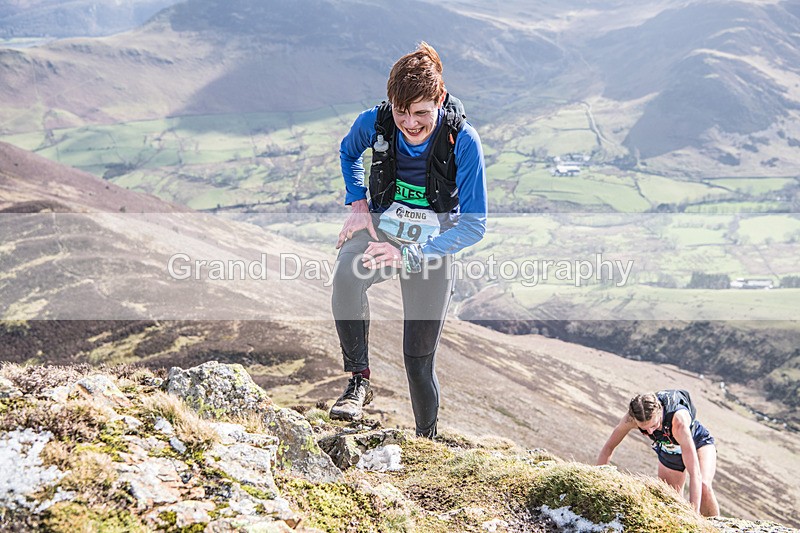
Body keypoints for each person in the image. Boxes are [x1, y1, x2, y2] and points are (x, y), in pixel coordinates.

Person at [328, 42, 487, 438]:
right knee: (346, 277)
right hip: (383, 228)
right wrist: (358, 201)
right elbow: (348, 153)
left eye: (421, 113)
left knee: (417, 361)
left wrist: (411, 254)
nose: (410, 123)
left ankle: (425, 441)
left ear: (440, 98)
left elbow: (474, 225)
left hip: (432, 249)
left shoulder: (463, 141)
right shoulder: (376, 122)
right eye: (401, 112)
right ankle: (358, 382)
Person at [596, 390, 720, 516]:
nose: (650, 432)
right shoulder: (631, 418)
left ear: (660, 411)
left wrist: (693, 518)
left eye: (654, 425)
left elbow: (695, 474)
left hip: (697, 441)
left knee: (704, 486)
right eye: (644, 430)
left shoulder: (678, 422)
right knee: (670, 501)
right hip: (668, 449)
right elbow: (608, 448)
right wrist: (597, 485)